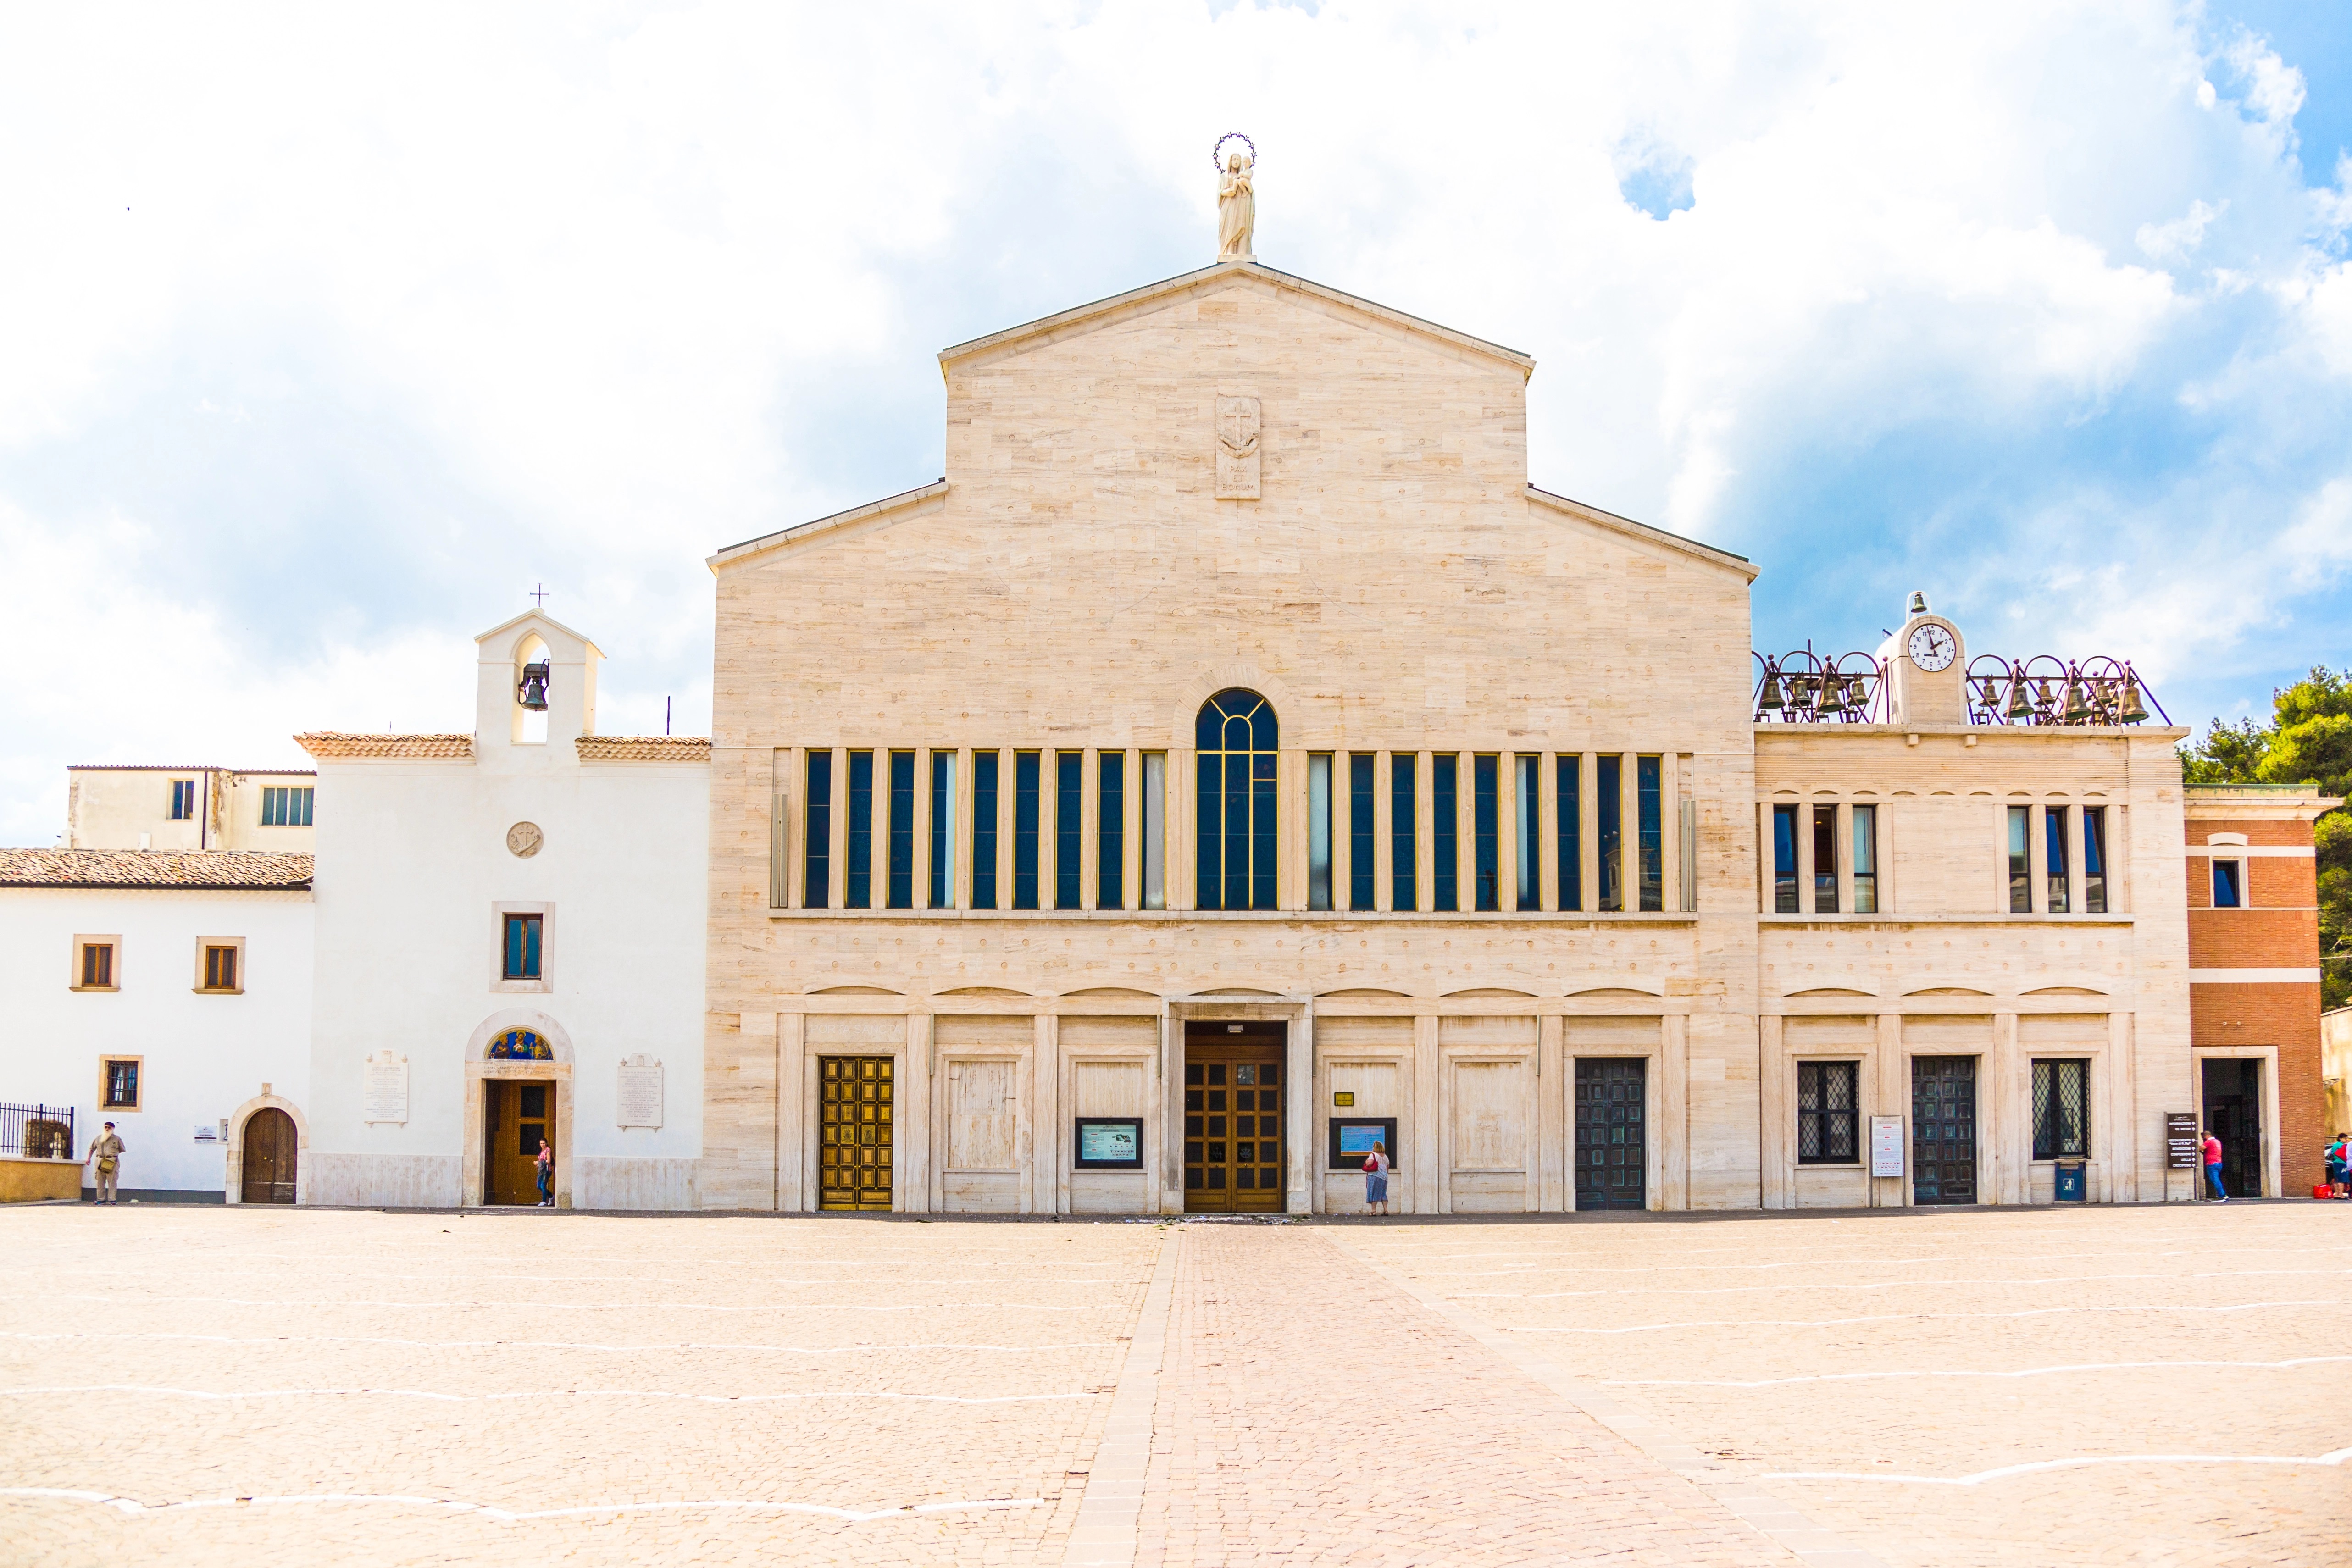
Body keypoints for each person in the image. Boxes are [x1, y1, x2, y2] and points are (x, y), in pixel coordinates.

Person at [85, 1122, 125, 1205]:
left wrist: (112, 1156)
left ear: (113, 1129)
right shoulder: (99, 1138)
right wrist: (88, 1159)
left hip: (112, 1161)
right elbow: (92, 1149)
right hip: (100, 1160)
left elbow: (122, 1149)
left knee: (112, 1180)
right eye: (106, 1127)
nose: (107, 1129)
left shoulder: (117, 1139)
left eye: (109, 1128)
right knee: (100, 1180)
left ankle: (112, 1199)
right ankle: (101, 1199)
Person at [1362, 1139, 1391, 1217]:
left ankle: (1373, 1211)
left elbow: (1369, 1164)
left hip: (1375, 1176)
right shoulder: (1385, 1157)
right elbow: (1388, 1167)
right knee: (1383, 1193)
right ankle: (1386, 1210)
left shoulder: (1373, 1155)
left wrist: (1367, 1161)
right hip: (1385, 1177)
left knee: (1374, 1192)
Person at [2202, 1129, 2228, 1202]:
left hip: (2212, 1163)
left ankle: (2222, 1195)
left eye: (2204, 1137)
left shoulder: (2209, 1141)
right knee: (2216, 1179)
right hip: (2219, 1163)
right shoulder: (2217, 1141)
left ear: (2206, 1136)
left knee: (2215, 1180)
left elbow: (2202, 1148)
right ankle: (2220, 1194)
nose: (2204, 1138)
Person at [2324, 1133, 2349, 1199]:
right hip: (2342, 1163)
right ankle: (2341, 1195)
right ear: (2340, 1138)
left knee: (2336, 1179)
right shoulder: (2342, 1145)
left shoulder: (2335, 1145)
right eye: (2345, 1138)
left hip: (2335, 1163)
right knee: (2342, 1179)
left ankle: (2337, 1194)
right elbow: (2345, 1155)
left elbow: (2333, 1153)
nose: (2347, 1139)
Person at [535, 1138, 554, 1207]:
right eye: (541, 1144)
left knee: (543, 1185)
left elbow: (548, 1161)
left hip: (547, 1170)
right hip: (541, 1171)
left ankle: (544, 1201)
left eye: (543, 1143)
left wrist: (539, 1163)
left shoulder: (548, 1150)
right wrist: (539, 1165)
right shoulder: (542, 1151)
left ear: (546, 1143)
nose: (542, 1145)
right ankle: (551, 1196)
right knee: (539, 1186)